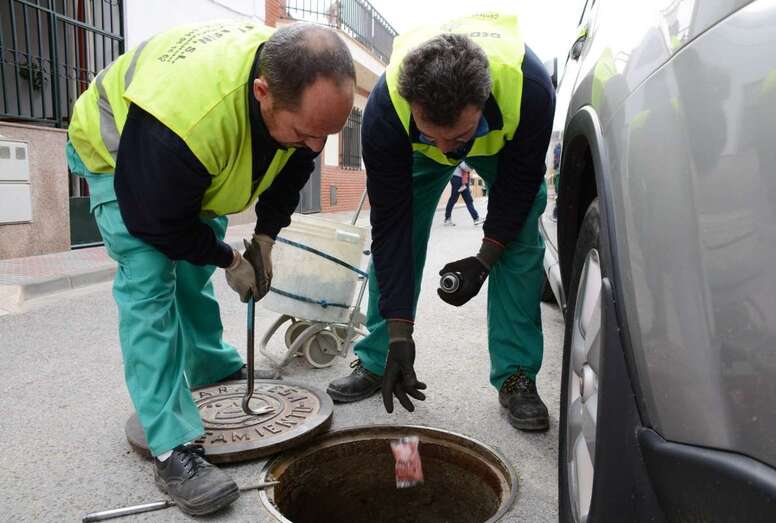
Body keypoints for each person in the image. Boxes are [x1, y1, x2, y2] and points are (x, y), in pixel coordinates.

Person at [66, 21, 355, 516]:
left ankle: (209, 366)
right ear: (263, 92)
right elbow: (156, 223)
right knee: (152, 280)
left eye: (324, 136)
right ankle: (172, 448)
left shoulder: (293, 100)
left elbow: (293, 169)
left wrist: (264, 239)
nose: (314, 145)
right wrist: (230, 258)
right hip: (122, 157)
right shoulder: (186, 122)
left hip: (190, 161)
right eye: (307, 133)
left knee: (192, 271)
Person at [327, 13, 555, 432]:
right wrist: (400, 331)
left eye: (459, 137)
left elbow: (518, 189)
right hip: (412, 151)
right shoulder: (385, 112)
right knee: (398, 240)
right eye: (434, 134)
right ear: (413, 108)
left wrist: (485, 259)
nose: (450, 153)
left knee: (520, 241)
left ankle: (517, 375)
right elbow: (392, 231)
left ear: (483, 100)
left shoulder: (531, 88)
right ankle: (380, 357)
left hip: (502, 148)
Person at [443, 160, 483, 226]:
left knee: (469, 200)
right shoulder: (459, 157)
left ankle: (476, 218)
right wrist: (472, 165)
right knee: (453, 199)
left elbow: (468, 168)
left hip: (464, 180)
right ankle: (447, 218)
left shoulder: (465, 158)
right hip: (456, 179)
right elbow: (466, 168)